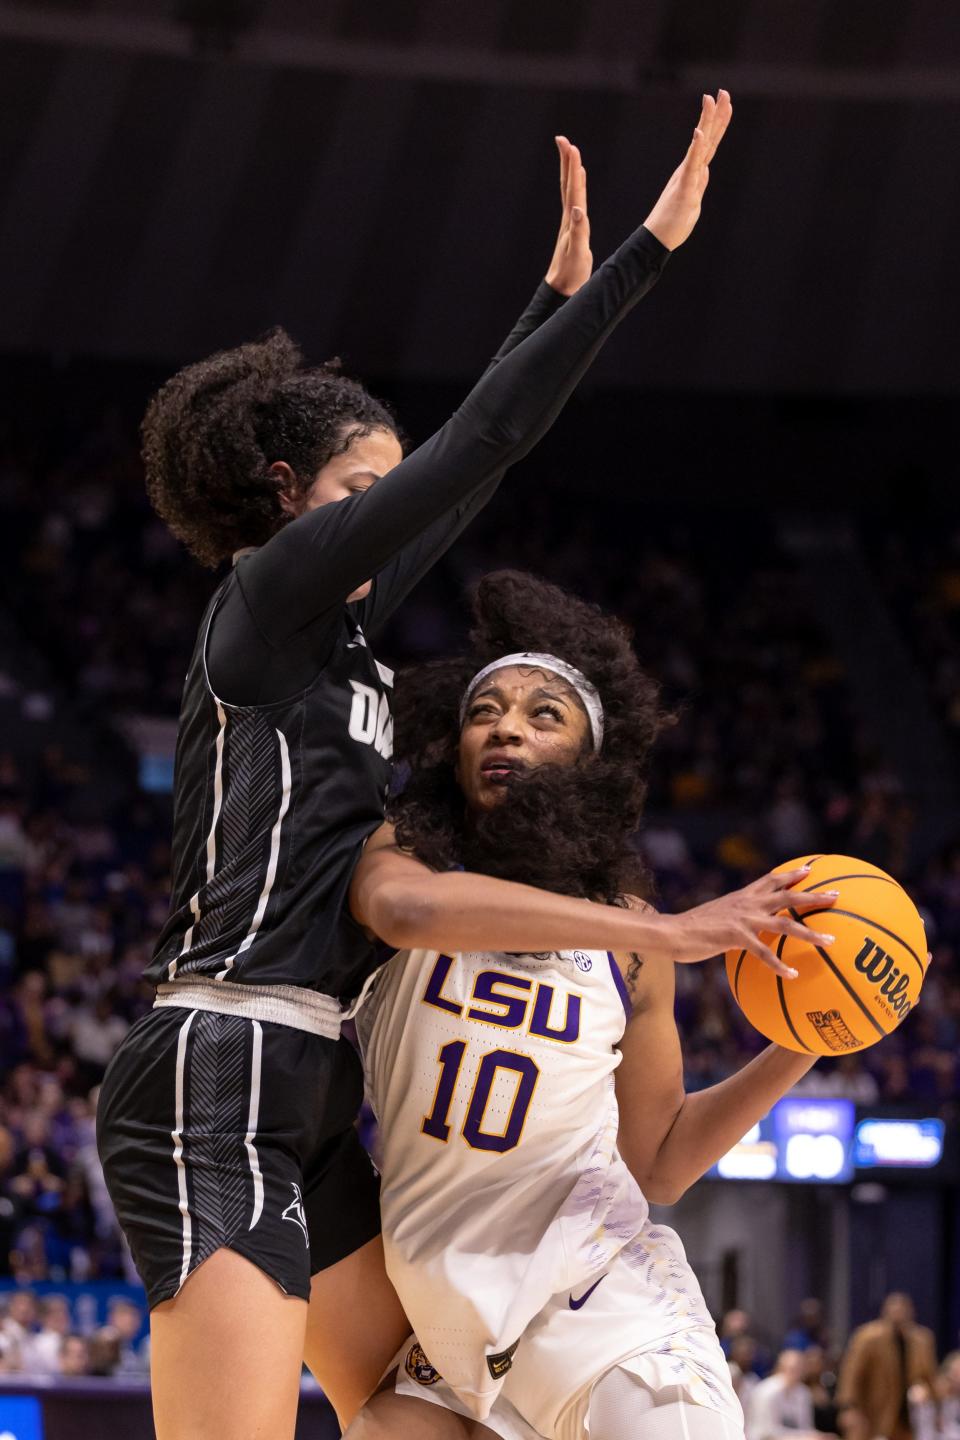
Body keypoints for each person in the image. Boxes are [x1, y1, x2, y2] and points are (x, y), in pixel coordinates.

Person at [95, 93, 754, 1440]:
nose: (389, 519)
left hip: (314, 1082)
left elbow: (461, 488)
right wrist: (644, 259)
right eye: (362, 492)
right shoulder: (268, 598)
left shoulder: (337, 646)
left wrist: (543, 305)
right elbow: (479, 449)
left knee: (424, 1418)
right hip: (222, 1056)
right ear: (289, 495)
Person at [345, 569, 842, 1440]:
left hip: (604, 1298)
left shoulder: (633, 939)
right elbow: (405, 915)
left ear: (589, 761)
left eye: (545, 715)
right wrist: (682, 934)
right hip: (451, 1326)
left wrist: (807, 1038)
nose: (506, 725)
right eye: (484, 710)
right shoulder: (407, 859)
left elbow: (657, 1163)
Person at [836, 1294, 938, 1440]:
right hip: (872, 1411)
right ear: (885, 1311)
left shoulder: (922, 1340)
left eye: (902, 1310)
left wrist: (928, 1395)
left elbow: (929, 1376)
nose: (898, 1314)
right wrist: (848, 1407)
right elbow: (851, 1373)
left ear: (911, 1312)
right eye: (894, 1310)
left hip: (908, 1415)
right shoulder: (868, 1337)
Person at [745, 1349, 836, 1440]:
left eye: (799, 1369)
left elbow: (805, 1427)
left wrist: (820, 1436)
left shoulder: (803, 1393)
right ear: (780, 1368)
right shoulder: (766, 1392)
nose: (796, 1373)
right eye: (791, 1369)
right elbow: (768, 1432)